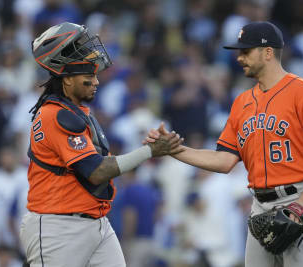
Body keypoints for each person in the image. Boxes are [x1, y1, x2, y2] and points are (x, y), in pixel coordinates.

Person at [146, 21, 303, 267]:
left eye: (246, 51)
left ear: (268, 52)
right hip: (260, 203)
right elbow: (225, 159)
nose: (239, 58)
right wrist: (175, 150)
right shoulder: (242, 102)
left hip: (300, 197)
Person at [19, 22, 183, 267]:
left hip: (96, 222)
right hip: (58, 227)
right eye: (88, 76)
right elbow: (96, 172)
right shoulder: (54, 115)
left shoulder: (77, 111)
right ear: (66, 80)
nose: (96, 81)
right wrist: (149, 151)